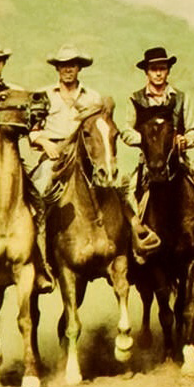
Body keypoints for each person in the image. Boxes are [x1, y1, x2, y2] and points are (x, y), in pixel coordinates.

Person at [29, 44, 159, 262]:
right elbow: (33, 129)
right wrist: (44, 142)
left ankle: (136, 238)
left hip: (87, 155)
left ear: (79, 68)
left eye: (72, 65)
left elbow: (103, 127)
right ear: (57, 68)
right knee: (37, 190)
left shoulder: (93, 97)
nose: (68, 69)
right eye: (63, 65)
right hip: (55, 154)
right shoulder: (44, 95)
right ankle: (37, 250)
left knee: (119, 188)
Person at [0, 42, 53, 292]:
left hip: (10, 162)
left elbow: (32, 125)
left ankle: (40, 264)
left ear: (4, 63)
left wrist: (41, 139)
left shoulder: (15, 93)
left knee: (38, 203)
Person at [120, 45, 194, 202]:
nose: (158, 73)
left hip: (178, 161)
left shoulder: (181, 98)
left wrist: (185, 140)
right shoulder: (135, 99)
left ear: (168, 71)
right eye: (153, 69)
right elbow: (126, 131)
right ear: (147, 72)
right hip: (147, 164)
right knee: (130, 198)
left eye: (162, 68)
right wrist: (147, 140)